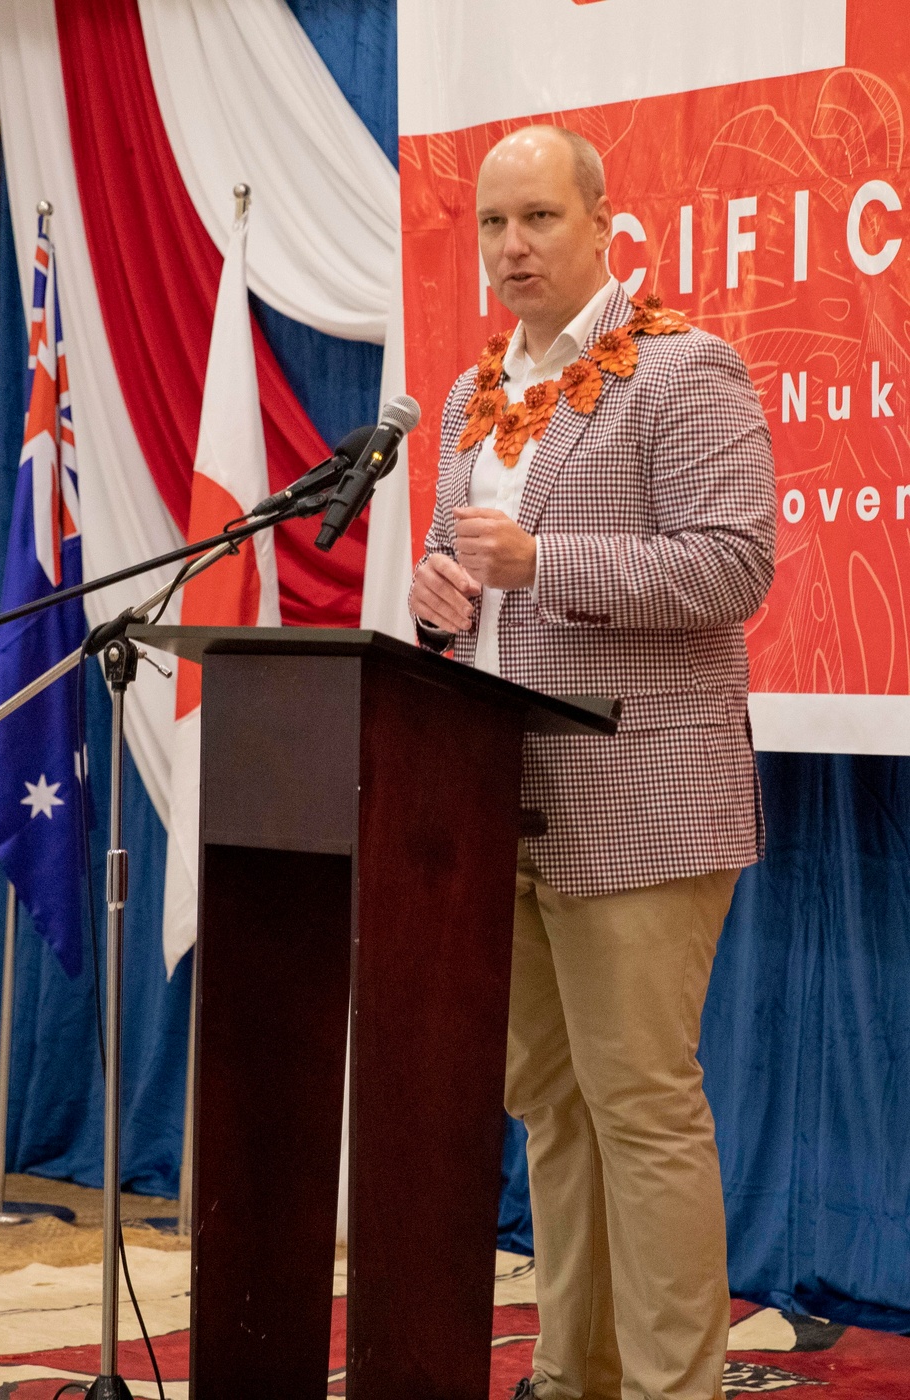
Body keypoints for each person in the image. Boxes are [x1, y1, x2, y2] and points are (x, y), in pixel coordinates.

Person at [408, 126, 777, 1400]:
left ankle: (676, 1388)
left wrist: (541, 564)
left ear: (604, 222)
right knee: (550, 1113)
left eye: (539, 220)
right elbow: (472, 587)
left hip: (643, 804)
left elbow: (734, 564)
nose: (512, 247)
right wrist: (438, 597)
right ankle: (574, 1374)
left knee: (641, 1107)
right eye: (493, 226)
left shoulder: (683, 370)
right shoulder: (469, 396)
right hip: (493, 799)